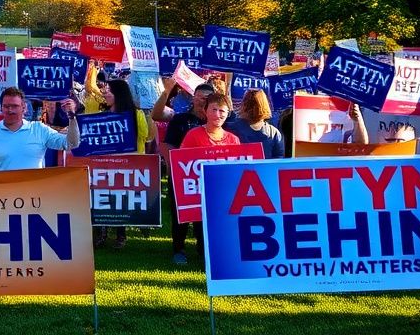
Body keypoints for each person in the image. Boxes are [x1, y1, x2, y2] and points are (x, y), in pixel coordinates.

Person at [151, 76, 214, 265]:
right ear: (193, 97)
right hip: (183, 175)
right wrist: (174, 169)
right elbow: (168, 145)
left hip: (207, 176)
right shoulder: (180, 119)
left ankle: (203, 249)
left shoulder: (218, 121)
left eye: (207, 98)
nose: (203, 100)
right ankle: (179, 249)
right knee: (181, 214)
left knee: (205, 214)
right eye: (200, 96)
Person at [93, 79, 157, 249]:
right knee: (104, 197)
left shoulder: (137, 115)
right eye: (105, 90)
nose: (105, 93)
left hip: (128, 165)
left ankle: (121, 235)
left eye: (109, 91)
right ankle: (100, 232)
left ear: (119, 95)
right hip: (105, 164)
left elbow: (145, 138)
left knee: (121, 199)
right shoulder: (102, 114)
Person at [0, 87, 80, 173]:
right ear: (1, 108)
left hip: (33, 198)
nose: (10, 110)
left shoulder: (39, 129)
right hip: (1, 197)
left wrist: (71, 115)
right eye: (6, 106)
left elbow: (71, 143)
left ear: (24, 108)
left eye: (14, 106)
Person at [225, 88, 284, 158]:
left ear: (244, 105)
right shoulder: (273, 133)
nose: (254, 109)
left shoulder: (231, 128)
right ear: (265, 105)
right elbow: (279, 158)